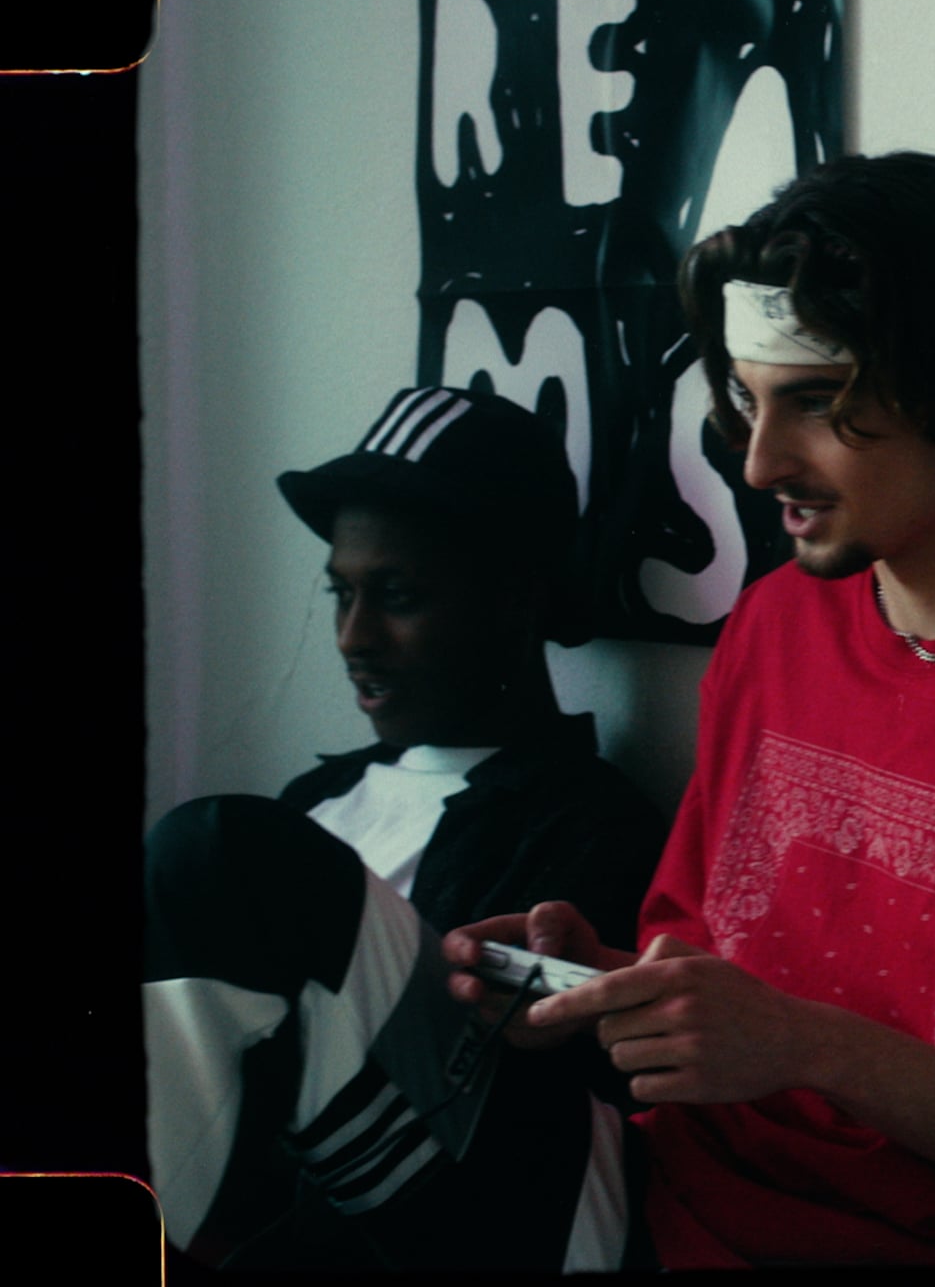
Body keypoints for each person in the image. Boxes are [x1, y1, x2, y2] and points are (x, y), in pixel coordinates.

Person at [414, 151, 935, 1269]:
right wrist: (602, 983)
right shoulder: (773, 626)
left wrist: (809, 1047)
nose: (761, 463)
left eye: (816, 402)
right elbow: (717, 968)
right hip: (657, 1197)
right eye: (748, 401)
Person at [144, 386, 668, 1266]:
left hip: (500, 1219)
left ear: (516, 600)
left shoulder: (586, 826)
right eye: (341, 594)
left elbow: (539, 1092)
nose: (353, 636)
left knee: (215, 849)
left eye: (396, 595)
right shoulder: (316, 800)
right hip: (276, 1197)